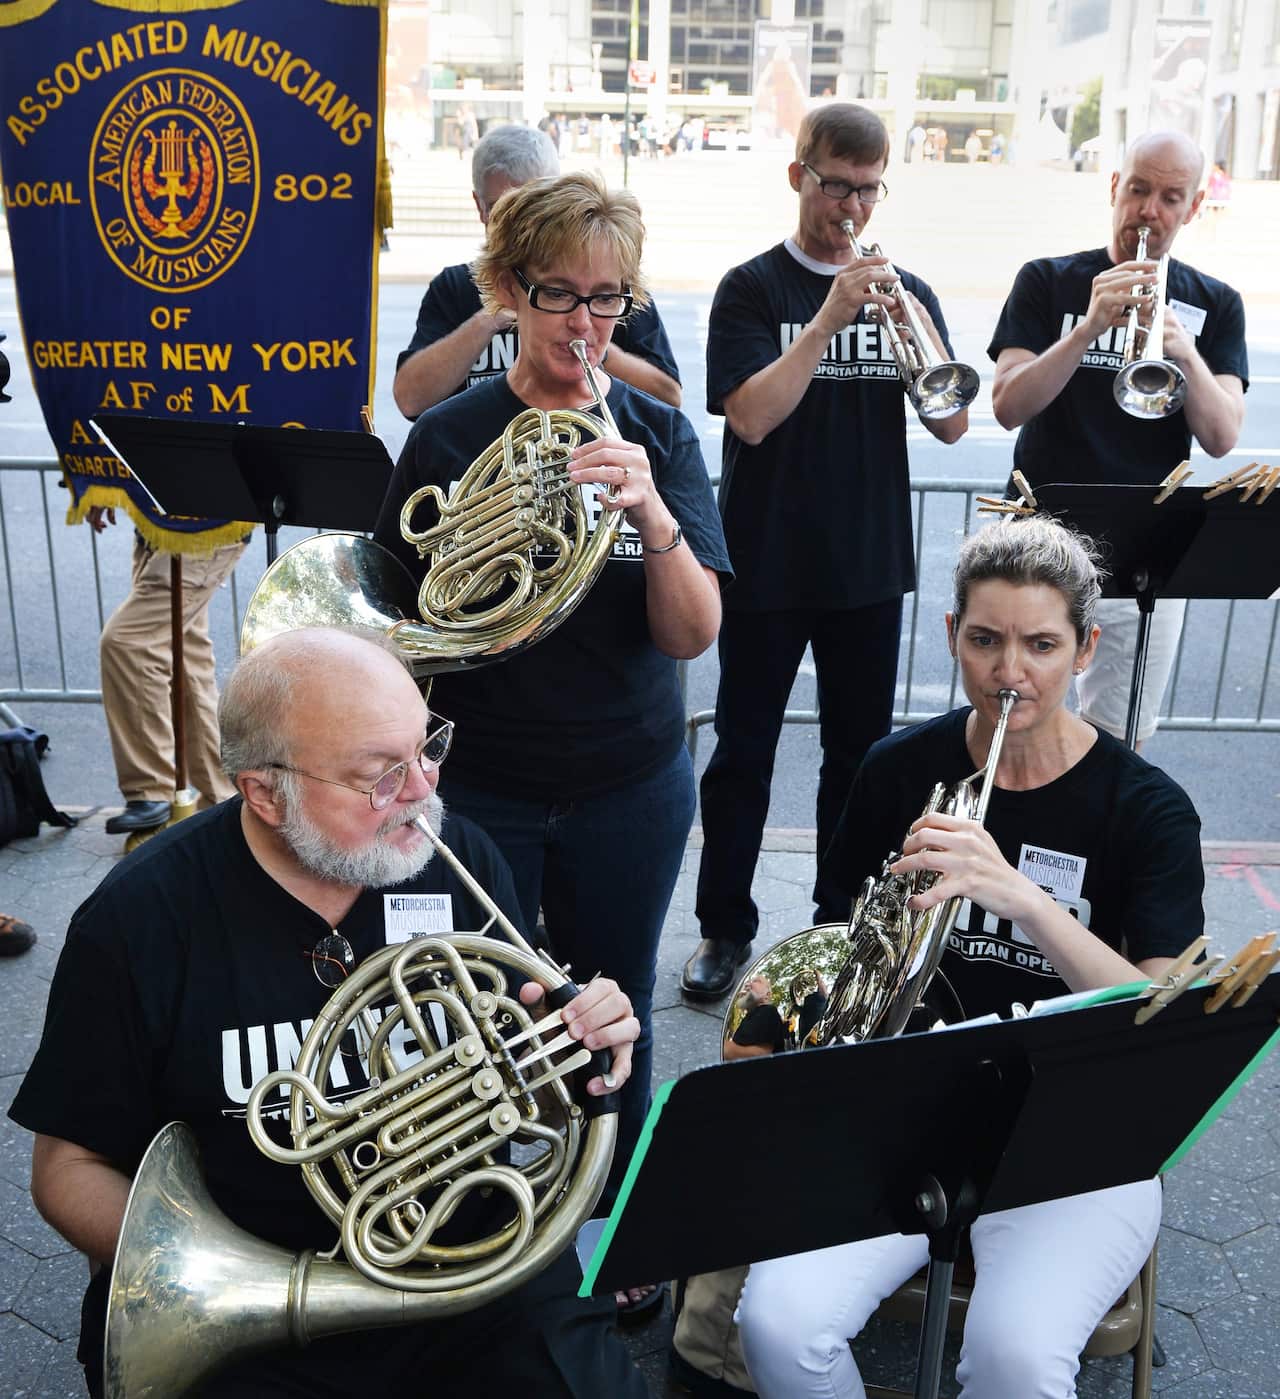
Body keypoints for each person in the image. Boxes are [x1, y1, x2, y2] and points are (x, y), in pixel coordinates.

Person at [9, 628, 646, 1399]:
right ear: (265, 792)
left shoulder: (460, 858)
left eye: (428, 746)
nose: (423, 789)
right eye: (380, 774)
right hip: (261, 1292)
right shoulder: (140, 919)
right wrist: (206, 1270)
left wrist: (572, 1051)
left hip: (471, 1267)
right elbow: (67, 1168)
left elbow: (527, 1089)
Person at [736, 516, 1201, 1398]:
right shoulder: (896, 769)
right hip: (902, 1112)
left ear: (1085, 648)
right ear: (953, 636)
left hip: (1078, 1132)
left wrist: (1020, 896)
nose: (1010, 674)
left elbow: (1161, 1012)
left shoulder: (1147, 808)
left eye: (1040, 645)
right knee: (779, 1324)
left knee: (1016, 1362)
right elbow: (837, 945)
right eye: (985, 641)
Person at [374, 169, 730, 1313]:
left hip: (629, 781)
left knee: (613, 1001)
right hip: (487, 787)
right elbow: (397, 620)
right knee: (480, 1011)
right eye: (559, 294)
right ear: (507, 290)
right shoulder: (450, 434)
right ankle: (486, 1227)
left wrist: (652, 515)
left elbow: (693, 631)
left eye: (608, 300)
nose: (584, 324)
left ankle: (614, 1228)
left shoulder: (658, 435)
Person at [685, 102, 969, 999]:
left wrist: (903, 327)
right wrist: (827, 318)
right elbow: (751, 416)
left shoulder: (900, 289)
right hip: (767, 561)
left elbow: (955, 421)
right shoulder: (752, 288)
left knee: (861, 759)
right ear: (798, 174)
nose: (848, 203)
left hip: (867, 564)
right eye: (833, 181)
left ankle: (836, 924)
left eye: (865, 187)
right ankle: (724, 928)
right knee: (744, 754)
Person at [989, 129, 1247, 747]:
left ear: (1193, 209)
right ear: (1114, 188)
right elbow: (1006, 405)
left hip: (1144, 560)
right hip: (1038, 543)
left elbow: (1222, 436)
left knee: (1115, 744)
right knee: (1016, 724)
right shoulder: (1048, 281)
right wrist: (1086, 331)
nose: (1149, 211)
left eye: (1169, 197)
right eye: (1138, 189)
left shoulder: (1217, 303)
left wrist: (1182, 349)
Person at [393, 124, 682, 419]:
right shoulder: (454, 286)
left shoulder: (605, 279)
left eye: (535, 206)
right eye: (500, 209)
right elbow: (410, 400)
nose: (518, 222)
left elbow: (668, 398)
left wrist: (594, 347)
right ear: (479, 207)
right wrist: (490, 318)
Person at [91, 504, 247, 834]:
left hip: (202, 531)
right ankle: (224, 802)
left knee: (129, 643)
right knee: (188, 664)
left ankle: (151, 789)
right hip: (162, 532)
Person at [723, 974, 785, 1060]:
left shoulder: (768, 1011)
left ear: (767, 995)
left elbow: (762, 1055)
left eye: (756, 981)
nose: (748, 984)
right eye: (750, 981)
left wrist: (724, 1048)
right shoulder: (750, 1016)